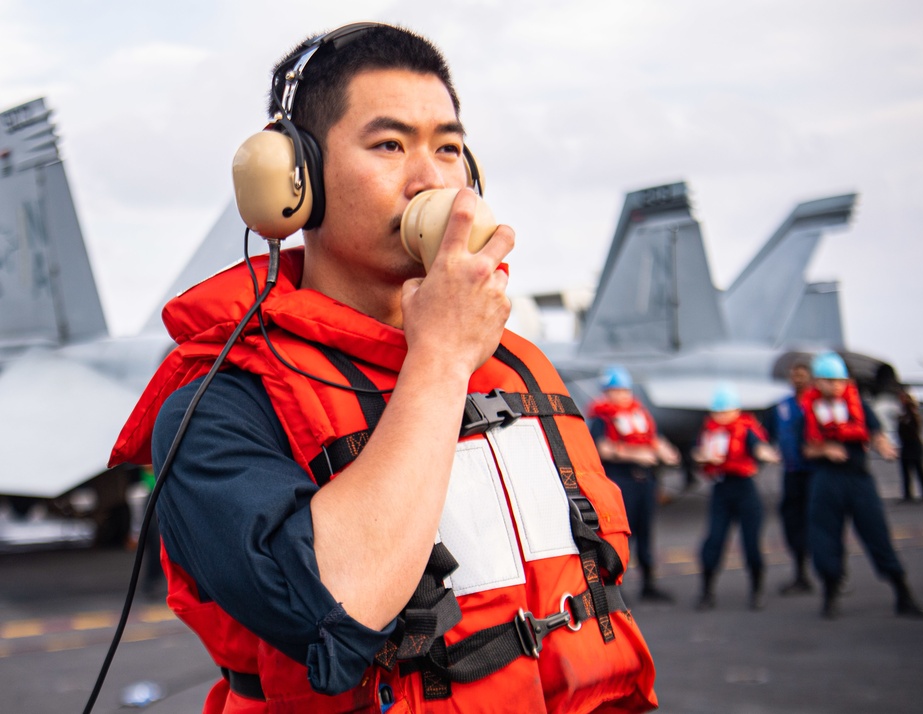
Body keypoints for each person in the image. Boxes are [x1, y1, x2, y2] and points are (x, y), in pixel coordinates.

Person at [109, 23, 657, 713]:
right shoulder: (220, 406)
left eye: (450, 148)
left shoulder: (518, 368)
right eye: (390, 145)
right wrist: (441, 357)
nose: (432, 178)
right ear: (294, 183)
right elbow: (339, 608)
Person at [801, 352, 923, 620]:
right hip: (826, 478)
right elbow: (804, 449)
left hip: (858, 477)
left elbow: (875, 433)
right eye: (827, 380)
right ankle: (830, 595)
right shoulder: (807, 409)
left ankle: (902, 592)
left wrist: (884, 446)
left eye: (838, 380)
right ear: (817, 382)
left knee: (877, 533)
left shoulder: (858, 404)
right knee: (825, 539)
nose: (834, 386)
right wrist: (825, 449)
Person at [588, 365, 680, 603]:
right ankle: (616, 588)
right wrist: (635, 454)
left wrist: (666, 450)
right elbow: (601, 447)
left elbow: (653, 437)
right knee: (620, 536)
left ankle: (649, 584)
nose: (621, 396)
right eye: (615, 391)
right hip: (621, 481)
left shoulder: (639, 413)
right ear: (606, 393)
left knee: (646, 532)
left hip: (645, 481)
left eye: (624, 390)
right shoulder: (601, 418)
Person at [692, 383, 780, 611]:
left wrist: (767, 454)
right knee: (713, 542)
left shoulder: (745, 428)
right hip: (721, 490)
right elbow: (697, 450)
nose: (720, 416)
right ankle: (706, 590)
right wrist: (700, 457)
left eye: (724, 411)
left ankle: (757, 590)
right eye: (716, 412)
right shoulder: (709, 430)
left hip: (744, 490)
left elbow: (758, 447)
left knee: (751, 544)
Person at [765, 359, 815, 596]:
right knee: (793, 524)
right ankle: (801, 574)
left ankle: (836, 576)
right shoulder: (782, 406)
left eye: (802, 374)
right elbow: (768, 434)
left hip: (817, 474)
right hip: (792, 473)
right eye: (795, 375)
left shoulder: (817, 404)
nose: (798, 379)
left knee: (822, 524)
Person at [897, 391, 923, 502]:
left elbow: (912, 430)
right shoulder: (905, 414)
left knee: (917, 470)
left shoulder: (911, 414)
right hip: (908, 446)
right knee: (909, 471)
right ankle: (909, 493)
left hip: (912, 446)